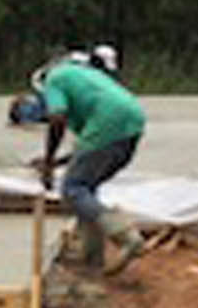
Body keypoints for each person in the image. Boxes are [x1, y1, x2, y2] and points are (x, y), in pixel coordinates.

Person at [35, 53, 147, 275]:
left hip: (109, 122)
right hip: (133, 122)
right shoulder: (86, 79)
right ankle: (91, 256)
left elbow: (57, 119)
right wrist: (57, 162)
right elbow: (89, 150)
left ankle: (126, 236)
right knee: (86, 188)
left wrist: (47, 162)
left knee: (73, 189)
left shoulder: (53, 80)